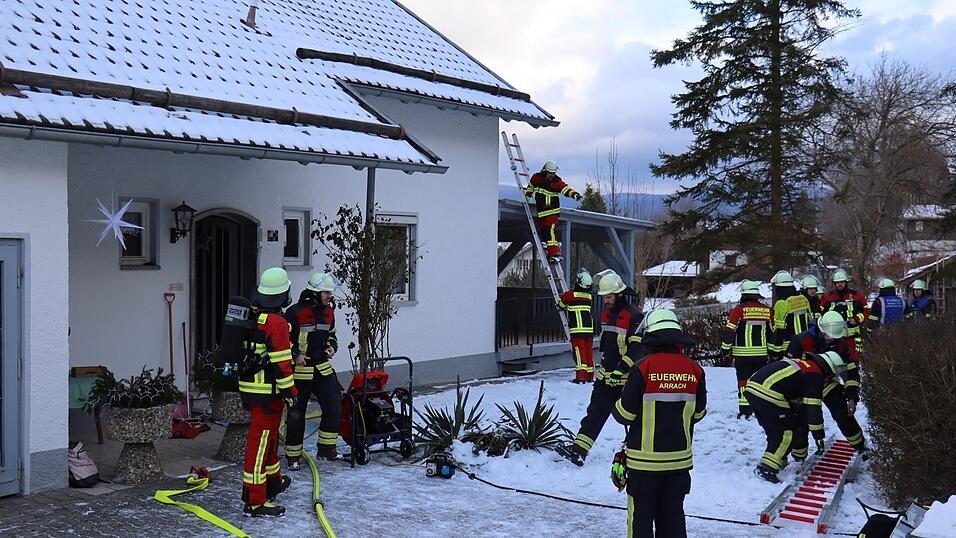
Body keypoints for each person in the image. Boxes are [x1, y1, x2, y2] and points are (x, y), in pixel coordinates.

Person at [611, 309, 706, 538]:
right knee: (673, 520)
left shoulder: (642, 368)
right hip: (679, 464)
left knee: (640, 523)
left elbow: (625, 414)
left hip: (644, 466)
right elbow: (699, 413)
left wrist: (616, 400)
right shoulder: (696, 370)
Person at [556, 269, 643, 466]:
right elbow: (608, 346)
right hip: (606, 378)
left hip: (626, 381)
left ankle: (638, 453)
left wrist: (622, 369)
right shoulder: (606, 314)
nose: (605, 300)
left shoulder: (634, 316)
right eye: (603, 297)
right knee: (594, 413)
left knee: (634, 417)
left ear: (619, 294)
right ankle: (579, 450)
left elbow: (637, 348)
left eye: (609, 297)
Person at [240, 267, 298, 517]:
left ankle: (273, 480)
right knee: (260, 444)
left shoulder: (255, 317)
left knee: (271, 439)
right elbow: (283, 364)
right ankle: (255, 500)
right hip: (267, 393)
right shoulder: (277, 323)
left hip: (253, 388)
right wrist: (292, 393)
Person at [744, 351, 845, 483]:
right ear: (827, 370)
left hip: (753, 388)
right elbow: (813, 410)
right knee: (786, 432)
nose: (828, 381)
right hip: (769, 393)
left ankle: (780, 459)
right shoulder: (815, 375)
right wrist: (819, 437)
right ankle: (766, 469)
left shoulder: (804, 365)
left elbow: (798, 407)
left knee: (775, 430)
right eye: (831, 377)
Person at [786, 311, 866, 456]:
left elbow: (850, 372)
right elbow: (787, 368)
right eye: (827, 335)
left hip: (827, 383)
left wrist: (852, 397)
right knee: (800, 421)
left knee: (842, 413)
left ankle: (860, 445)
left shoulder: (841, 345)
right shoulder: (801, 340)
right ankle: (799, 455)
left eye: (833, 337)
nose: (830, 339)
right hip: (803, 388)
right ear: (820, 329)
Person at [283, 272, 342, 470]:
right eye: (326, 292)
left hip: (322, 369)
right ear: (315, 292)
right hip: (300, 372)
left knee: (334, 404)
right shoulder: (294, 312)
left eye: (330, 292)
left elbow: (332, 335)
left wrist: (332, 346)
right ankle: (293, 457)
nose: (329, 296)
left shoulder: (328, 312)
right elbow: (282, 339)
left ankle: (326, 449)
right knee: (296, 414)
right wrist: (295, 354)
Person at [720, 280, 771, 418]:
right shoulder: (766, 310)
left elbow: (730, 331)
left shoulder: (739, 310)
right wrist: (773, 352)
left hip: (742, 354)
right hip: (761, 354)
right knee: (759, 381)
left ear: (744, 295)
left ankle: (745, 409)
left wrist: (725, 349)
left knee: (744, 381)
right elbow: (772, 333)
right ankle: (760, 408)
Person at [525, 160, 582, 263]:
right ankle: (552, 251)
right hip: (541, 213)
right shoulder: (536, 178)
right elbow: (531, 187)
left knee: (549, 230)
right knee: (544, 232)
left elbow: (565, 189)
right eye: (550, 173)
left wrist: (575, 195)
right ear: (545, 171)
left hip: (552, 212)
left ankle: (554, 253)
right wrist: (528, 196)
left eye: (553, 173)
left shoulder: (557, 182)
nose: (551, 175)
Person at [557, 268, 596, 383]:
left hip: (577, 331)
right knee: (589, 353)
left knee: (580, 353)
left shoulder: (569, 295)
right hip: (589, 331)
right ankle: (590, 376)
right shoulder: (589, 297)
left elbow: (560, 306)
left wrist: (561, 298)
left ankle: (581, 377)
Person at [820, 269, 868, 354]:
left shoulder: (857, 296)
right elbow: (821, 315)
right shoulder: (827, 297)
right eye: (837, 282)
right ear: (834, 284)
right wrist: (825, 332)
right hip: (834, 337)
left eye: (842, 282)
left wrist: (856, 319)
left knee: (853, 360)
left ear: (846, 282)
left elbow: (867, 311)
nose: (839, 284)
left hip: (852, 337)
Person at [769, 270, 811, 359]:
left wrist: (774, 353)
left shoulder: (782, 303)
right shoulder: (803, 299)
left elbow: (779, 332)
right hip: (805, 344)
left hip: (788, 349)